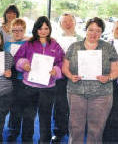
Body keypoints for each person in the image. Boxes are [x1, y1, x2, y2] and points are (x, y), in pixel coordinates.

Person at [62, 17, 118, 143]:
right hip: (76, 92)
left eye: (98, 31)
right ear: (86, 30)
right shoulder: (74, 46)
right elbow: (65, 68)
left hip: (102, 94)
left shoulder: (108, 48)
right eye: (91, 30)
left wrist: (109, 77)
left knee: (96, 129)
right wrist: (70, 76)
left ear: (102, 32)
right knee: (75, 128)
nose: (93, 34)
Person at [14, 16, 64, 143]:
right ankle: (27, 141)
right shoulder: (28, 44)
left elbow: (62, 62)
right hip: (29, 87)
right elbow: (17, 58)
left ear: (50, 29)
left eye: (46, 28)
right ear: (36, 29)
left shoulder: (55, 45)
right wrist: (23, 64)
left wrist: (56, 70)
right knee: (28, 118)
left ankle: (44, 141)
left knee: (45, 118)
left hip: (48, 89)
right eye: (40, 28)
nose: (43, 31)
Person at [52, 13, 83, 142]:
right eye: (64, 21)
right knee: (60, 104)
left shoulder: (82, 38)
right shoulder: (55, 39)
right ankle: (59, 132)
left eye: (70, 21)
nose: (68, 23)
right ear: (60, 24)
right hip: (60, 76)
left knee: (76, 105)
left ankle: (75, 132)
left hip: (77, 76)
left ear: (75, 22)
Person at [4, 18, 29, 141]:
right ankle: (13, 130)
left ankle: (26, 133)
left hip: (25, 79)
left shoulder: (29, 43)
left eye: (20, 30)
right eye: (14, 30)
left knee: (26, 108)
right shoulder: (7, 44)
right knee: (14, 107)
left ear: (24, 30)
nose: (17, 33)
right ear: (10, 30)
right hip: (11, 79)